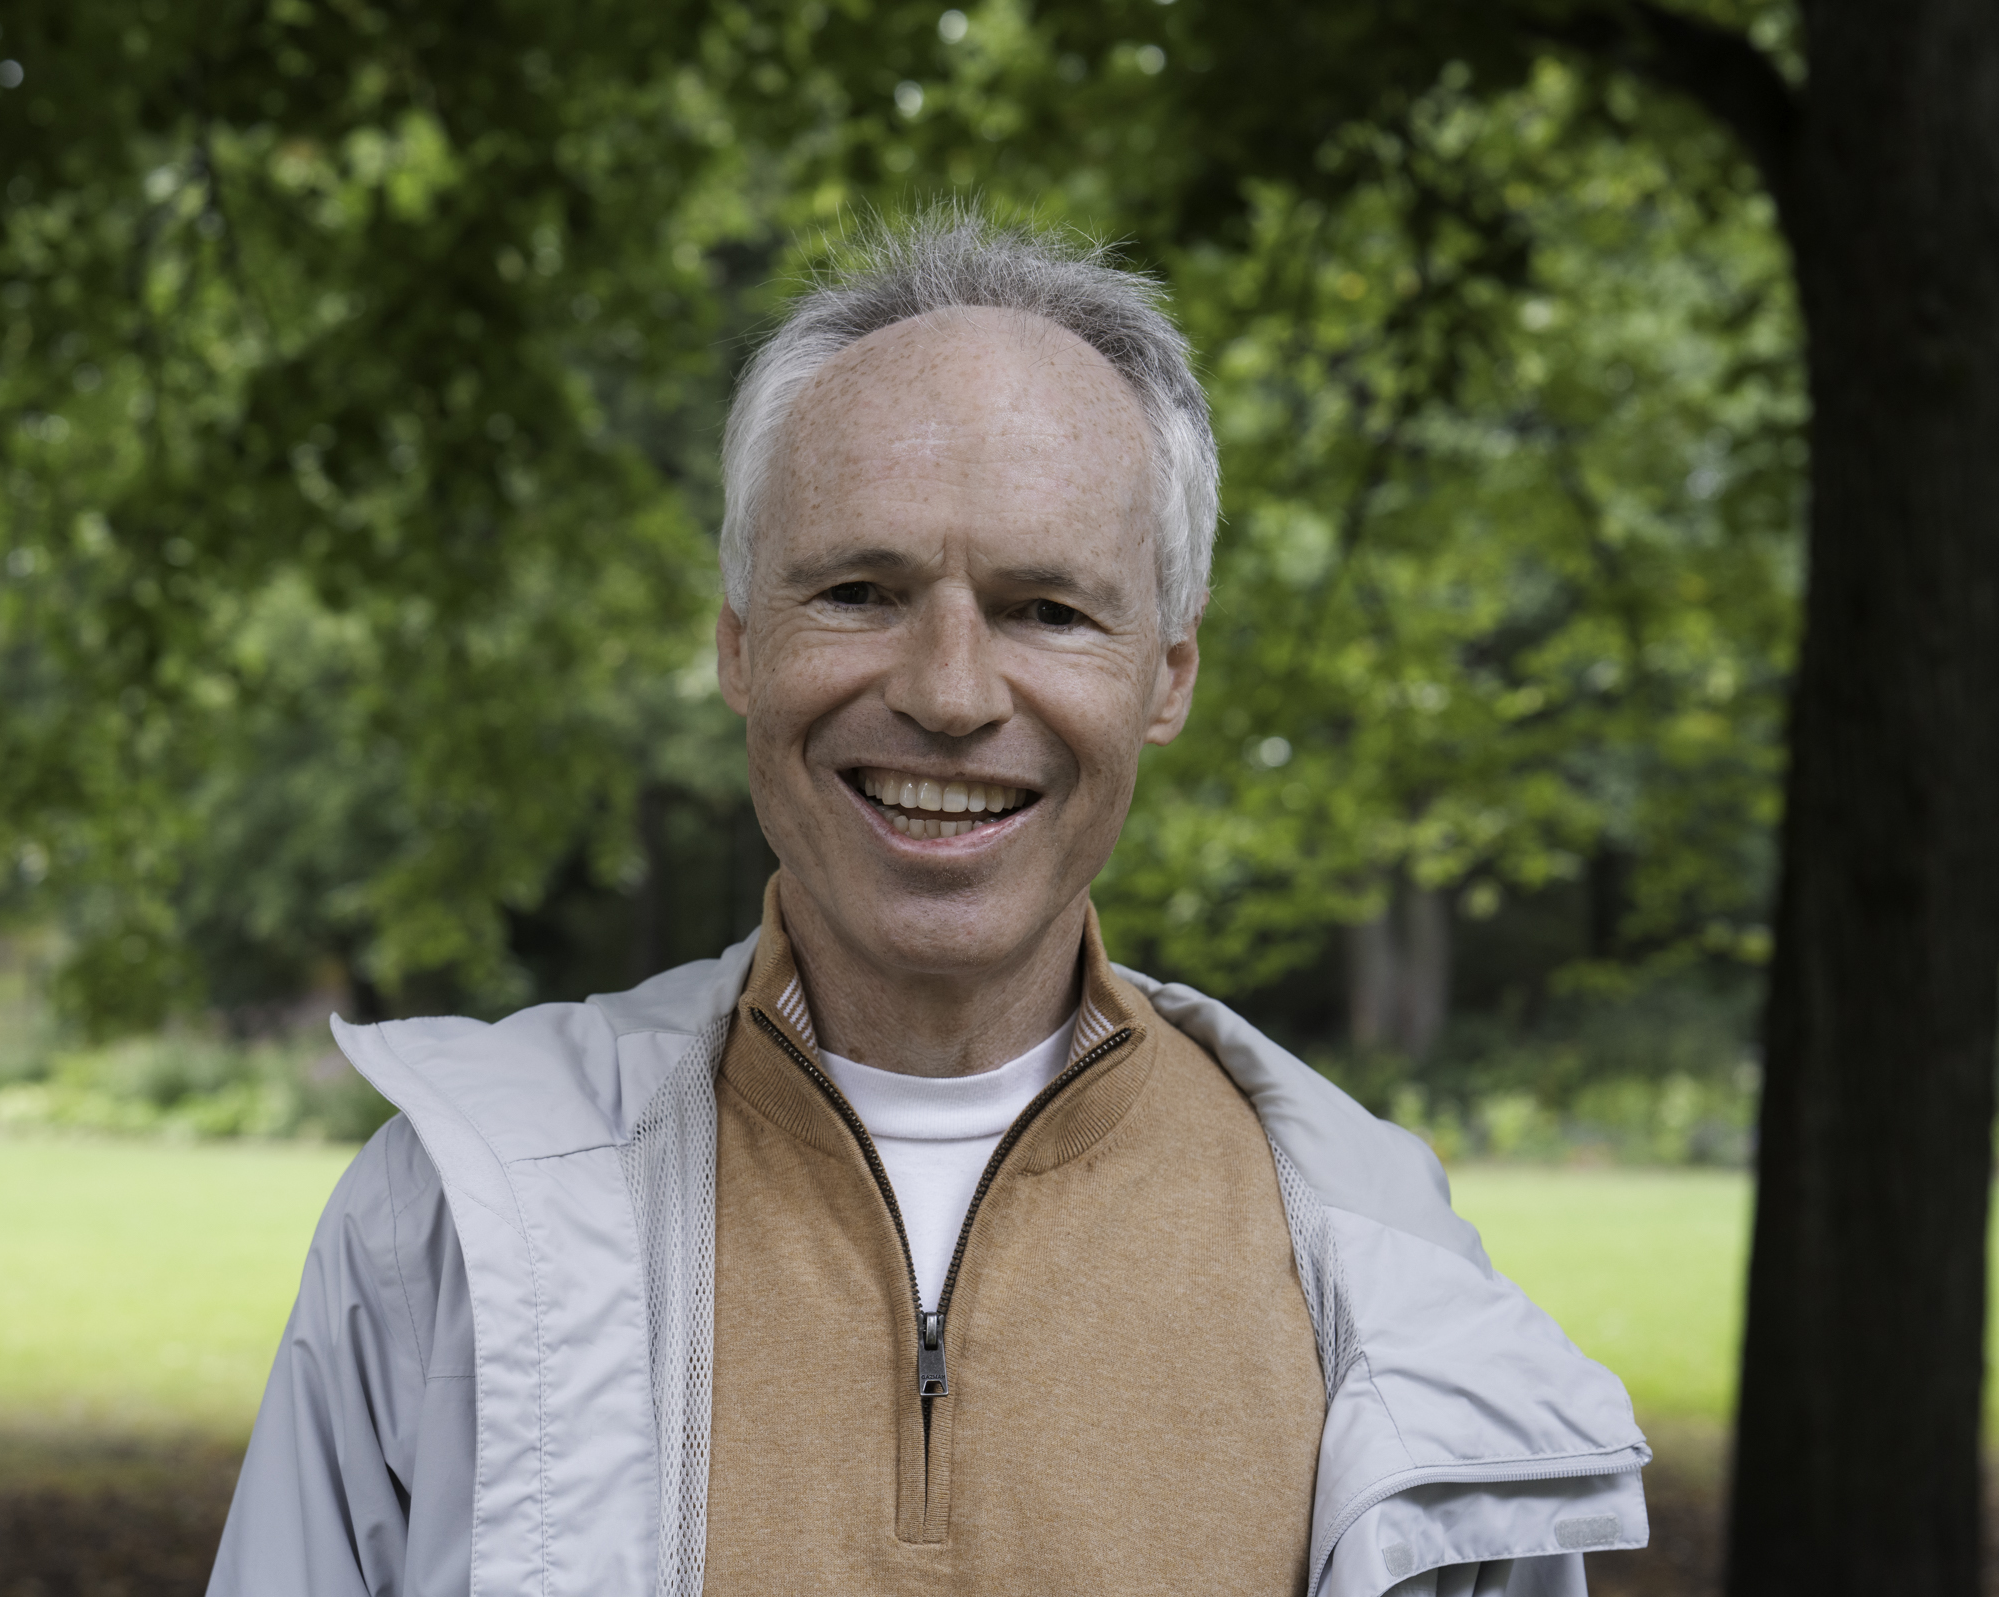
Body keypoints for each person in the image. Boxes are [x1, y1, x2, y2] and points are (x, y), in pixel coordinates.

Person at [207, 213, 1649, 1597]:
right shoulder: (446, 1223)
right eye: (858, 590)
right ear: (740, 646)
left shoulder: (1383, 1269)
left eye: (1048, 610)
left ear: (1167, 676)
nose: (951, 693)